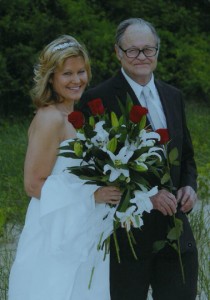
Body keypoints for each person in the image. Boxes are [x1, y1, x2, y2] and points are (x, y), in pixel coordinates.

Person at [79, 18, 198, 300]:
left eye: (148, 50)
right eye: (133, 50)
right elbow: (94, 169)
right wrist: (147, 194)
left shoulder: (173, 95)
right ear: (118, 52)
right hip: (127, 236)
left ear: (157, 51)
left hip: (175, 229)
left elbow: (187, 157)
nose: (141, 57)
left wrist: (189, 187)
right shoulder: (98, 99)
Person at [8, 35, 122, 300]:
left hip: (81, 227)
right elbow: (33, 184)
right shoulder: (50, 119)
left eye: (81, 72)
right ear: (51, 78)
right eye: (67, 73)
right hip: (55, 229)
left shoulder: (73, 117)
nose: (76, 80)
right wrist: (92, 196)